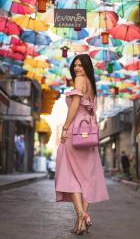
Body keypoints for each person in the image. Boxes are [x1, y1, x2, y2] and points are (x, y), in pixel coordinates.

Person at [55, 54, 109, 235]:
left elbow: (75, 104)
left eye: (80, 65)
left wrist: (65, 127)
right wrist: (95, 136)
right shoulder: (92, 85)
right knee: (87, 179)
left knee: (71, 176)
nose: (77, 68)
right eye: (75, 65)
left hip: (75, 133)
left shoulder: (79, 80)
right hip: (89, 136)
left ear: (87, 66)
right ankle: (81, 223)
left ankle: (81, 215)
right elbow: (93, 113)